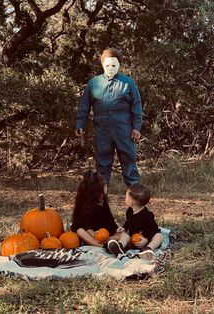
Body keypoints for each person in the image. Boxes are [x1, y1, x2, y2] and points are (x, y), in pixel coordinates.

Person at [75, 47, 142, 187]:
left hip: (124, 131)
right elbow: (84, 106)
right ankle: (101, 198)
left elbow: (136, 106)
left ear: (119, 65)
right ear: (102, 65)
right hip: (102, 131)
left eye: (114, 65)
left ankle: (136, 198)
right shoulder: (94, 83)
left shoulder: (128, 83)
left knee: (129, 163)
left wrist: (137, 128)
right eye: (107, 65)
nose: (110, 68)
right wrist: (80, 124)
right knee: (102, 165)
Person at [71, 170, 130, 248]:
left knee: (125, 235)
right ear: (97, 191)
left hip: (106, 235)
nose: (107, 187)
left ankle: (115, 246)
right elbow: (82, 224)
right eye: (105, 186)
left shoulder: (103, 201)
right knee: (80, 231)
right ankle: (100, 246)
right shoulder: (85, 204)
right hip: (92, 236)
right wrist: (94, 234)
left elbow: (109, 220)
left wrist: (116, 229)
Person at [107, 184, 163, 260]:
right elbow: (128, 222)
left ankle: (148, 249)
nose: (125, 198)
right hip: (132, 239)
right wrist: (124, 227)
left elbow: (153, 230)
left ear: (130, 202)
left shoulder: (147, 215)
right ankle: (119, 247)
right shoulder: (129, 211)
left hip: (146, 240)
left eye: (126, 196)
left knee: (159, 236)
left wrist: (146, 239)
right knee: (124, 235)